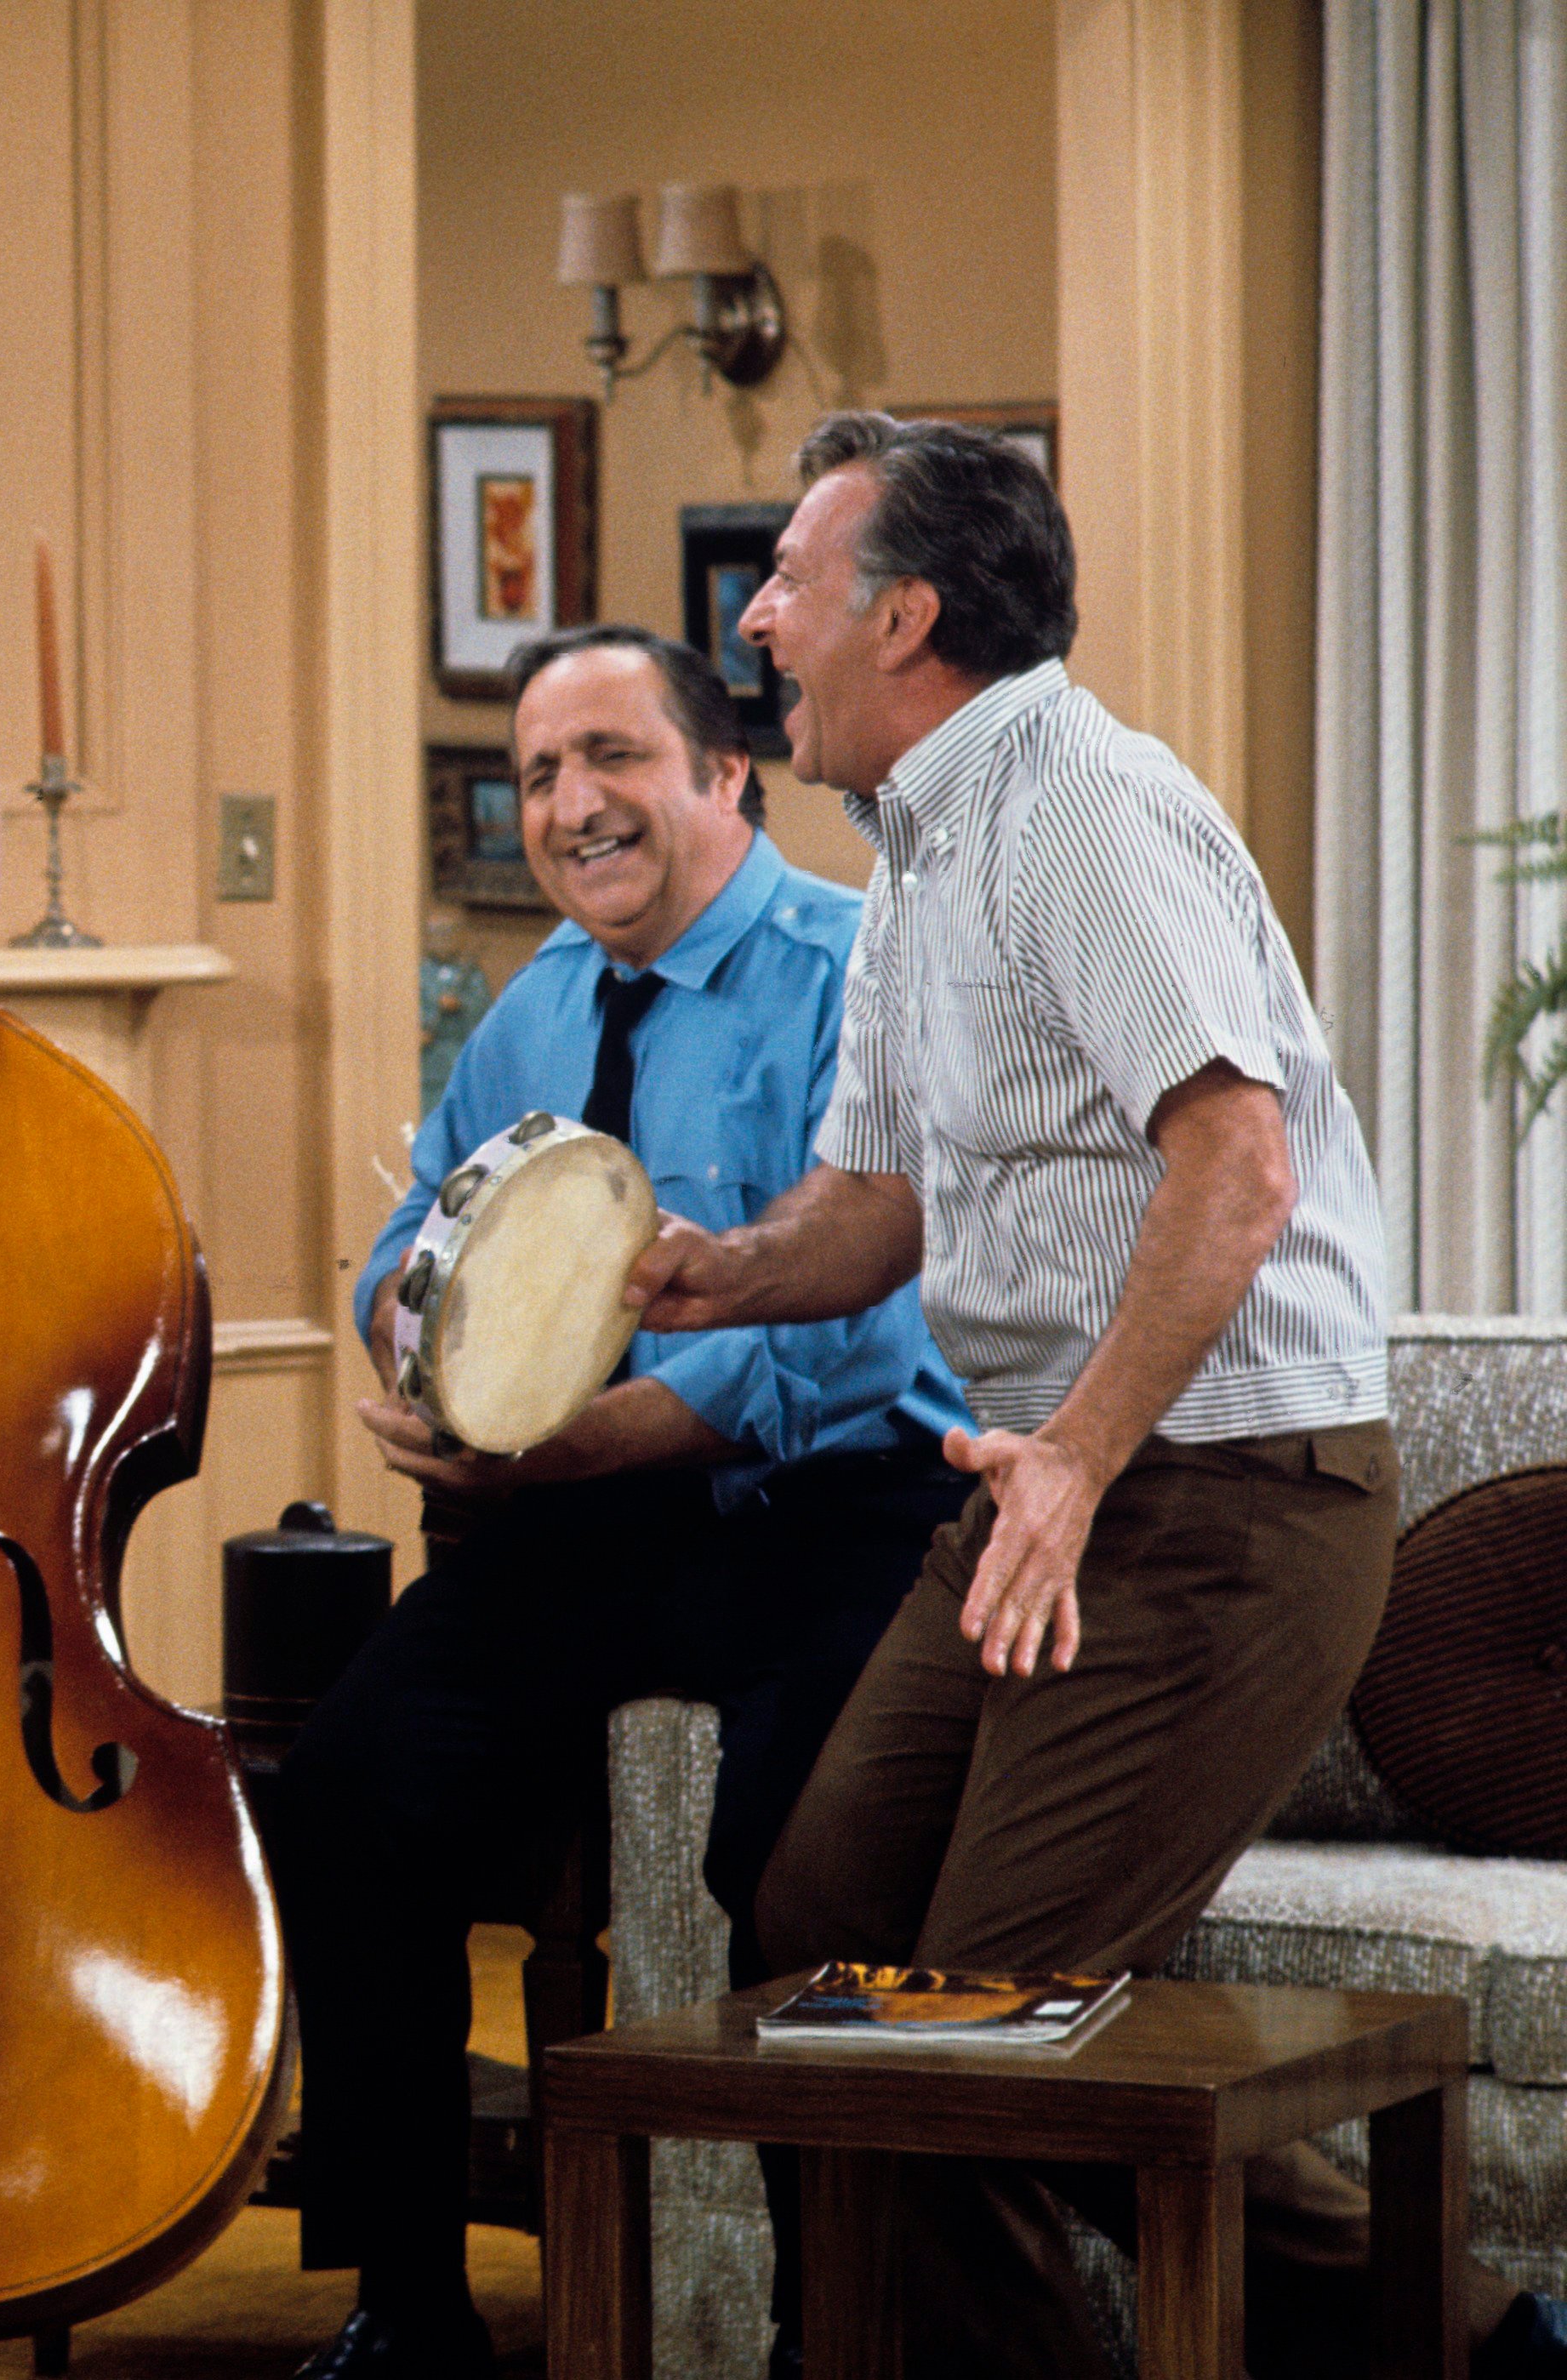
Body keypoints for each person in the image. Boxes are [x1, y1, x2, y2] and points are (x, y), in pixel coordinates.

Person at [636, 412, 1567, 2379]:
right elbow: (883, 1203)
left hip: (1226, 1503)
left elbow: (1233, 1161)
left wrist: (1067, 1455)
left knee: (961, 2024)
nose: (755, 616)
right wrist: (713, 1272)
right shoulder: (915, 839)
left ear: (904, 613)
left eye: (790, 578)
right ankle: (1488, 2346)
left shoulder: (1079, 809)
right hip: (1052, 1491)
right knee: (810, 1942)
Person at [276, 624, 971, 2380]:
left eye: (610, 757)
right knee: (355, 1784)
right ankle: (406, 2310)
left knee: (781, 1860)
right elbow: (406, 1240)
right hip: (592, 1516)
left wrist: (577, 1439)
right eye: (534, 774)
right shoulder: (534, 1004)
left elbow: (853, 1330)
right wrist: (416, 1348)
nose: (570, 806)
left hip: (842, 1502)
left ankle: (831, 2333)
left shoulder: (854, 966)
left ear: (720, 771)